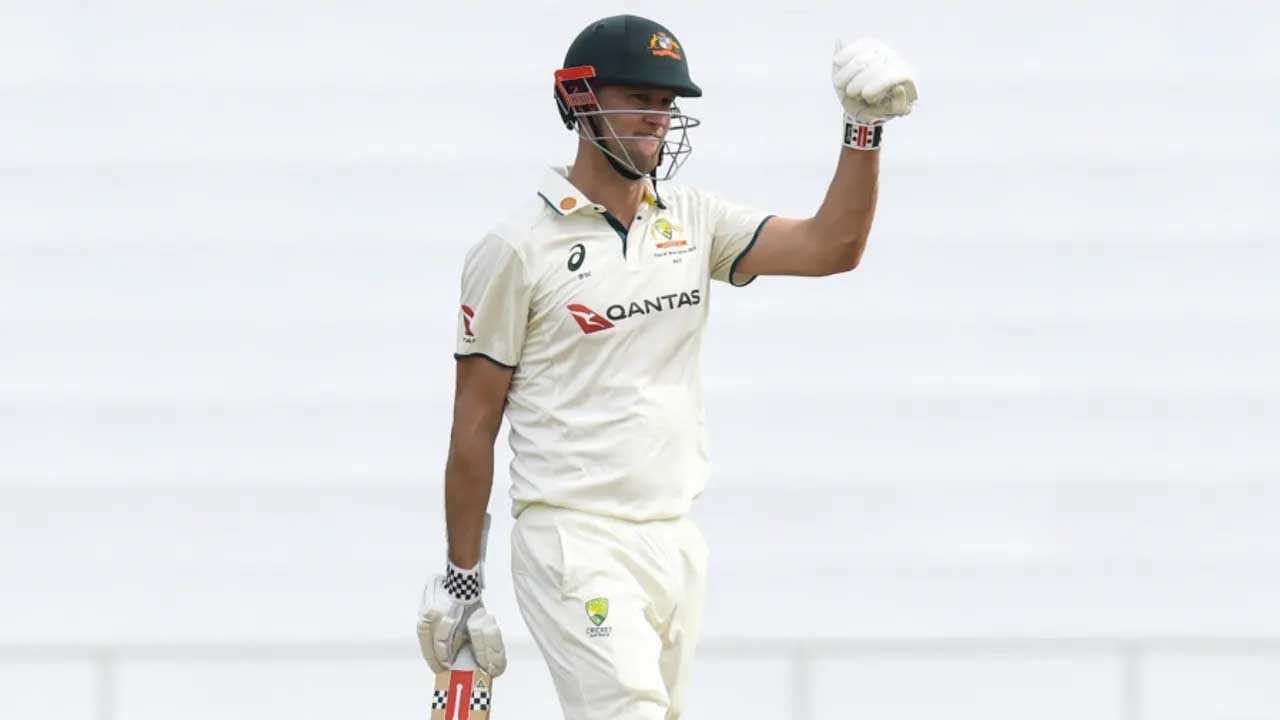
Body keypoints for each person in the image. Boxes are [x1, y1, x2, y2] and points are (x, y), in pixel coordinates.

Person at [417, 13, 918, 720]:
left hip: (674, 539)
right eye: (639, 98)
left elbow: (831, 247)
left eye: (666, 103)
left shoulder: (694, 220)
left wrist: (862, 131)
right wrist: (462, 578)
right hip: (573, 537)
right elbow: (473, 426)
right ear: (580, 99)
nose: (658, 117)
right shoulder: (517, 249)